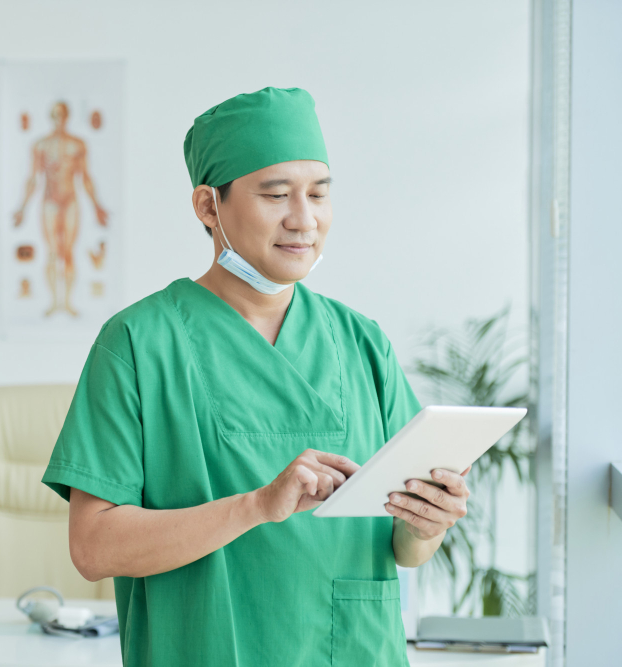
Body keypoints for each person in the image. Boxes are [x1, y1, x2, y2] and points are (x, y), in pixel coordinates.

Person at [41, 87, 472, 667]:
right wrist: (257, 506)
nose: (304, 219)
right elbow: (92, 547)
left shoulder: (361, 342)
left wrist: (428, 524)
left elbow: (403, 548)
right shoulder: (139, 344)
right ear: (207, 207)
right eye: (275, 195)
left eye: (319, 194)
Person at [12, 101, 109, 317]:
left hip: (70, 200)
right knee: (52, 251)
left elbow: (85, 177)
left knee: (68, 251)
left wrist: (97, 206)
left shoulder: (78, 144)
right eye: (55, 115)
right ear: (51, 116)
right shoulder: (40, 145)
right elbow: (33, 178)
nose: (59, 119)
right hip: (49, 202)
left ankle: (67, 302)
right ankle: (55, 302)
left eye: (62, 115)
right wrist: (22, 208)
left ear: (67, 117)